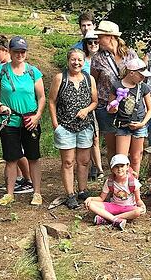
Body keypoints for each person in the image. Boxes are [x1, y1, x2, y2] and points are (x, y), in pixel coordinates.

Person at [0, 36, 46, 206]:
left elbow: (41, 96)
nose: (20, 54)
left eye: (23, 51)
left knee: (33, 157)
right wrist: (0, 105)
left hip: (30, 119)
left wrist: (37, 115)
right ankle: (9, 193)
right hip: (9, 119)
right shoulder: (1, 71)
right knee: (11, 158)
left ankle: (37, 192)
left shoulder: (33, 71)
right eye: (16, 51)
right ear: (10, 52)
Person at [48, 48, 98, 209]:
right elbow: (51, 101)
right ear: (68, 60)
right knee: (68, 162)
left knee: (84, 161)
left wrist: (86, 110)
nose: (76, 63)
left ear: (84, 62)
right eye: (73, 60)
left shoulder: (89, 79)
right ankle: (70, 194)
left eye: (80, 60)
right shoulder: (60, 78)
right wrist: (56, 124)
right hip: (65, 125)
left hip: (85, 126)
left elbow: (95, 101)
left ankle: (82, 191)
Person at [90, 20, 138, 169]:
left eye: (100, 36)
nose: (97, 39)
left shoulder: (130, 55)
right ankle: (114, 179)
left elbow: (139, 77)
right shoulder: (98, 58)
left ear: (111, 37)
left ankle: (128, 180)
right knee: (111, 147)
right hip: (106, 106)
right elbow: (94, 81)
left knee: (127, 146)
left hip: (128, 107)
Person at [108, 58, 151, 175]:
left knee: (136, 157)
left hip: (139, 126)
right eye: (141, 75)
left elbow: (150, 109)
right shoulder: (117, 86)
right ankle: (120, 184)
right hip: (123, 126)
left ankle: (134, 185)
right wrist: (113, 109)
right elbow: (110, 108)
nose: (143, 78)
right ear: (131, 73)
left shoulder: (143, 87)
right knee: (121, 159)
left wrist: (142, 123)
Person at [85, 154, 145, 230]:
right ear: (112, 169)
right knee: (90, 204)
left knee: (137, 211)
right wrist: (90, 198)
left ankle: (109, 218)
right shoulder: (110, 182)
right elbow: (101, 198)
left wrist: (142, 205)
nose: (119, 169)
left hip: (128, 208)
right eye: (116, 166)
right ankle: (115, 220)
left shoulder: (133, 182)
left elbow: (138, 200)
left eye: (122, 166)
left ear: (127, 166)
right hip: (114, 205)